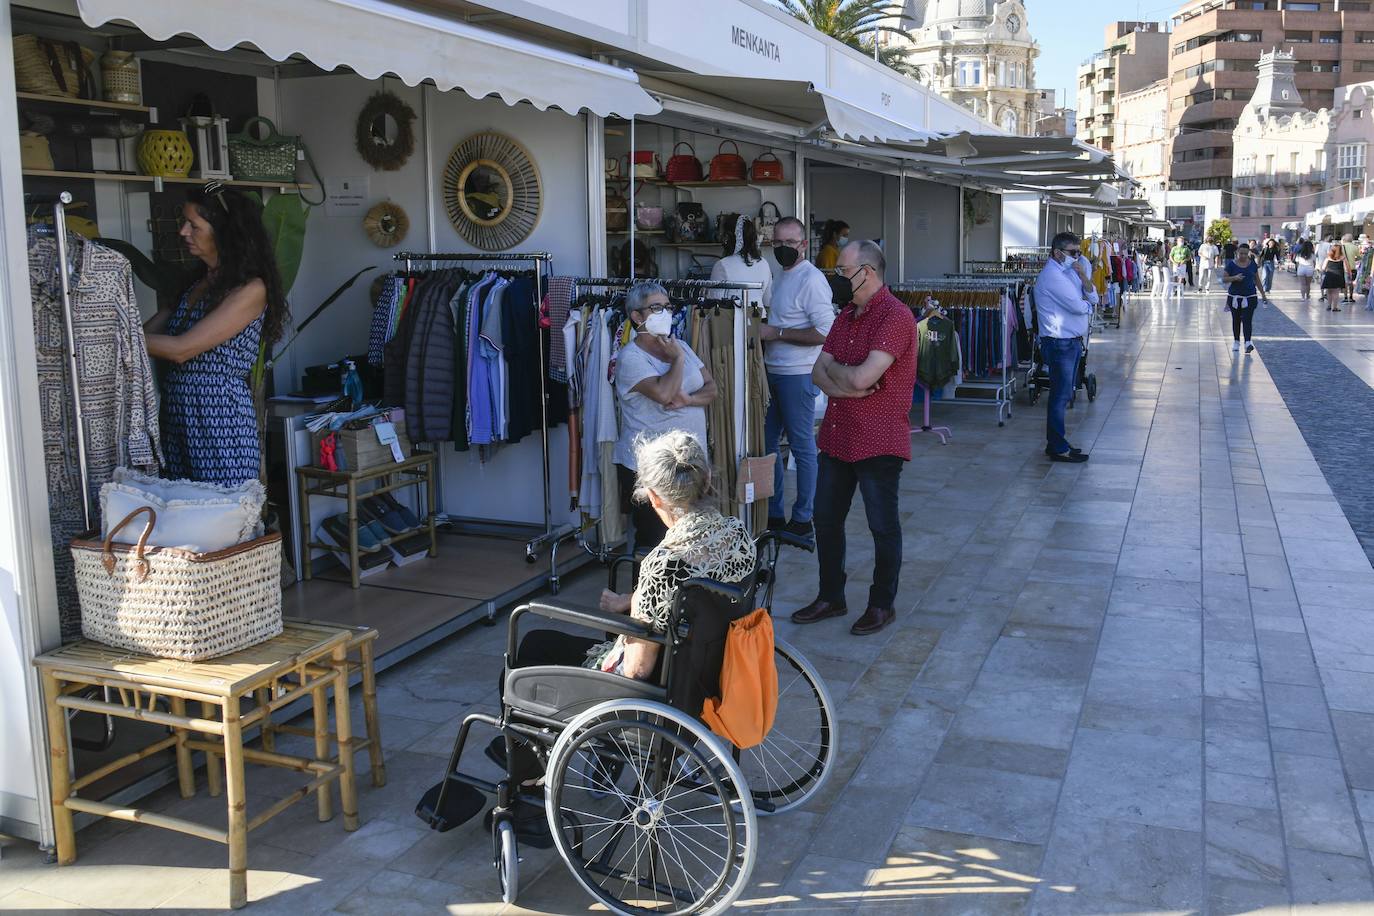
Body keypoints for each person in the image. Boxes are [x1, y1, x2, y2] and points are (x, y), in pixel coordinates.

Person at [499, 431, 755, 791]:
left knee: (532, 644)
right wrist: (634, 602)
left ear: (653, 497)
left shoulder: (663, 563)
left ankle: (524, 778)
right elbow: (695, 593)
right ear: (706, 479)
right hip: (708, 676)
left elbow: (636, 669)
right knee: (584, 632)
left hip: (657, 697)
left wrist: (632, 621)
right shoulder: (736, 534)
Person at [792, 240, 915, 637]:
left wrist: (843, 377)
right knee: (825, 520)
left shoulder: (895, 317)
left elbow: (862, 376)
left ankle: (882, 604)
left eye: (843, 270)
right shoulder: (846, 315)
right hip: (838, 435)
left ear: (869, 271)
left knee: (882, 526)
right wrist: (848, 383)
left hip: (879, 439)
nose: (837, 278)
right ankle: (831, 596)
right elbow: (819, 373)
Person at [144, 183, 288, 485]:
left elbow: (180, 348)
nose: (183, 232)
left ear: (223, 232)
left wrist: (118, 335)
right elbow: (147, 334)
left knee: (222, 517)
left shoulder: (250, 290)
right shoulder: (195, 284)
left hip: (220, 418)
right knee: (183, 514)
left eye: (193, 225)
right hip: (178, 414)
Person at [613, 282, 717, 549]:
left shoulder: (679, 345)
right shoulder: (631, 358)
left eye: (667, 307)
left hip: (690, 464)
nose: (665, 313)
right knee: (654, 542)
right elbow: (664, 393)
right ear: (637, 316)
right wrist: (678, 361)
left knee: (689, 541)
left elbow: (713, 388)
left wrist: (690, 399)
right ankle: (642, 592)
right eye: (655, 307)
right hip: (652, 469)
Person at [761, 216, 835, 537]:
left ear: (803, 245)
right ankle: (774, 513)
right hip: (772, 372)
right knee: (766, 445)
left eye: (790, 243)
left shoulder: (812, 279)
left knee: (803, 447)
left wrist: (774, 332)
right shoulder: (779, 275)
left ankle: (803, 518)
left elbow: (825, 331)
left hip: (798, 374)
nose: (783, 248)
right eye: (778, 242)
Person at [1035, 231, 1096, 464]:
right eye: (1073, 253)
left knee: (1065, 394)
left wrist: (1082, 276)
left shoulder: (1070, 272)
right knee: (1060, 396)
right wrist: (1087, 303)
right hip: (1059, 343)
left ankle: (1057, 442)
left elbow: (1092, 298)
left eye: (1079, 252)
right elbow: (1080, 307)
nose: (1077, 257)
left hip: (1069, 342)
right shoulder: (1053, 277)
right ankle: (1057, 447)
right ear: (1057, 253)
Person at [711, 213, 773, 310]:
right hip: (760, 321)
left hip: (732, 322)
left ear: (728, 237)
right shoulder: (763, 262)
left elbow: (715, 302)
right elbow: (768, 300)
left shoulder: (722, 265)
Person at [1221, 243, 1261, 354]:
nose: (1243, 256)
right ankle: (1236, 341)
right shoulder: (1231, 265)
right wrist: (1234, 278)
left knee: (1247, 319)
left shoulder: (1252, 264)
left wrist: (1263, 294)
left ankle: (1248, 342)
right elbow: (1224, 279)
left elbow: (1257, 279)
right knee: (1236, 319)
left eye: (1245, 253)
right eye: (1241, 253)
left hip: (1250, 296)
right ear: (1237, 252)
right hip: (1234, 297)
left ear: (1248, 253)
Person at [1320, 241, 1349, 312]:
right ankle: (1335, 307)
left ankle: (1329, 305)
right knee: (1336, 292)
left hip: (1329, 275)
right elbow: (1346, 268)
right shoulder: (1343, 258)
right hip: (1338, 276)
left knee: (1329, 291)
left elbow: (1323, 268)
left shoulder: (1328, 258)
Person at [1342, 233, 1361, 302]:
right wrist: (1353, 259)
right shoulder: (1355, 247)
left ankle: (1345, 297)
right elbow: (1359, 257)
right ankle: (1351, 296)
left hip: (1344, 268)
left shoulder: (1342, 247)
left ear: (1344, 239)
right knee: (1351, 283)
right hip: (1352, 267)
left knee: (1345, 283)